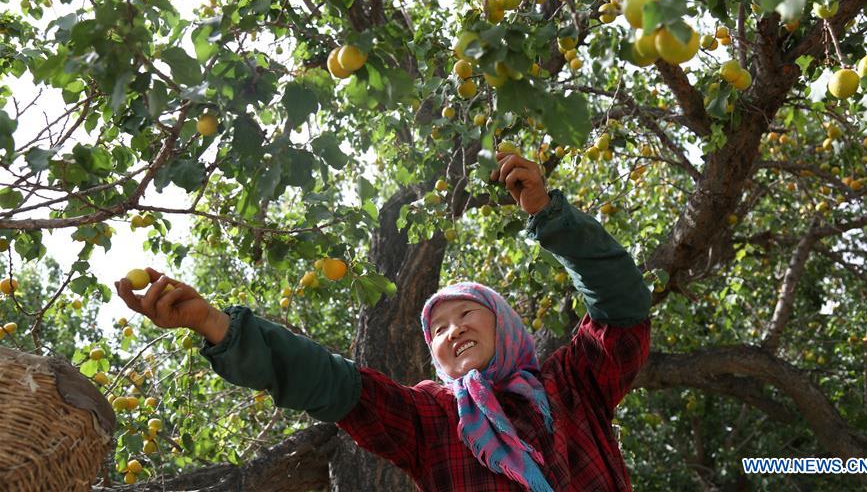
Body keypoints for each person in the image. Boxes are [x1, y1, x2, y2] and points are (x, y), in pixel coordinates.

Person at [115, 150, 651, 491]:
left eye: (467, 313)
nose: (453, 330)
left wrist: (550, 217)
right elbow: (333, 383)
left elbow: (621, 305)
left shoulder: (573, 383)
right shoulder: (432, 419)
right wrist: (216, 324)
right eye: (437, 330)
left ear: (505, 326)